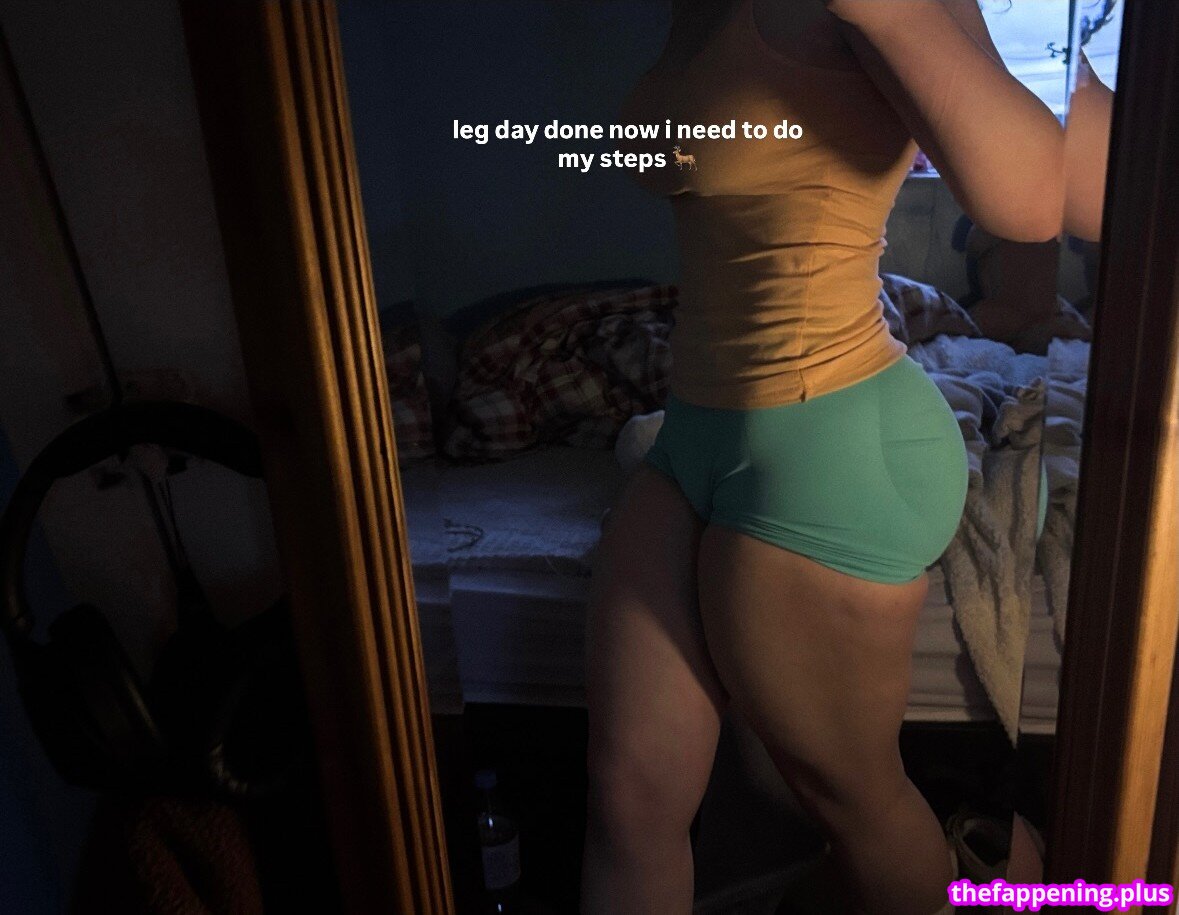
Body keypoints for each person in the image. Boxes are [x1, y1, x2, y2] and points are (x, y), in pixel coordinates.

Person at [580, 2, 1067, 913]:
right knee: (628, 802)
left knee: (854, 802)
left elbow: (1034, 202)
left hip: (831, 434)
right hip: (695, 432)